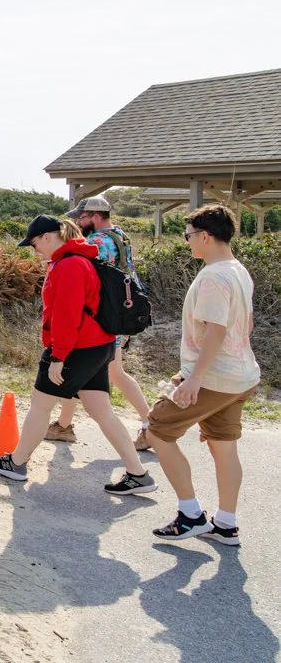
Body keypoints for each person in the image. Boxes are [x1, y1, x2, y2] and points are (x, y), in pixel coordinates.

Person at [0, 215, 158, 495]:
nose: (34, 250)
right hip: (99, 346)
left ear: (48, 237)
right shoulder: (82, 258)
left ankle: (16, 463)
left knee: (40, 405)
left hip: (77, 348)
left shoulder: (69, 265)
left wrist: (58, 356)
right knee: (102, 412)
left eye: (34, 244)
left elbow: (67, 315)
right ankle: (138, 474)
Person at [147, 205, 260, 544]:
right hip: (241, 375)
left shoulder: (213, 276)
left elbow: (215, 331)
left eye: (189, 236)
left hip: (214, 377)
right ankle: (226, 524)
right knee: (223, 446)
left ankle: (190, 515)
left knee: (157, 430)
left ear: (206, 236)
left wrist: (193, 379)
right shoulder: (238, 269)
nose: (187, 242)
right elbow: (247, 324)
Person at [46, 196, 152, 450]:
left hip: (101, 321)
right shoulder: (120, 236)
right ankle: (63, 425)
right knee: (90, 373)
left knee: (101, 372)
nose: (77, 222)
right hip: (118, 315)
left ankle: (151, 426)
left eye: (80, 218)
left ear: (95, 216)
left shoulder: (97, 242)